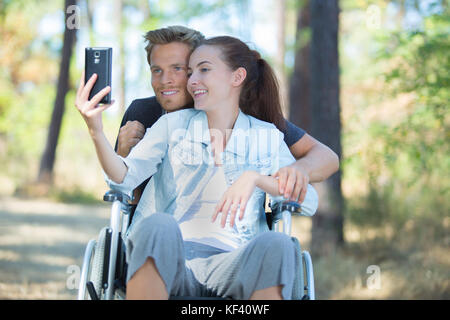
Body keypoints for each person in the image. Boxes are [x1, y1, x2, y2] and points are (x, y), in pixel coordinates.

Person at [75, 35, 319, 300]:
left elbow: (309, 201)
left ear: (236, 78)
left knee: (278, 244)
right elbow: (123, 177)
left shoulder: (267, 136)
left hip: (235, 262)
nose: (192, 81)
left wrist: (255, 179)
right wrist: (95, 130)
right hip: (172, 259)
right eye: (190, 72)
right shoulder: (173, 125)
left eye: (204, 70)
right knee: (157, 225)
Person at [114, 26, 339, 208]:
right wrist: (123, 154)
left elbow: (327, 157)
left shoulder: (246, 115)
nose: (166, 80)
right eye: (157, 70)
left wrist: (300, 170)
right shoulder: (142, 113)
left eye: (179, 68)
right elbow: (128, 200)